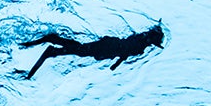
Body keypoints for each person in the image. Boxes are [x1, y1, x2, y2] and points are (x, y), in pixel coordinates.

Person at [19, 24, 165, 78]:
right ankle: (51, 49)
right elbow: (126, 51)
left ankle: (51, 43)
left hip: (107, 45)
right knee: (81, 50)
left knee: (80, 49)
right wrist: (116, 65)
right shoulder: (140, 46)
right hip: (106, 48)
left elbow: (126, 48)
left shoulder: (141, 38)